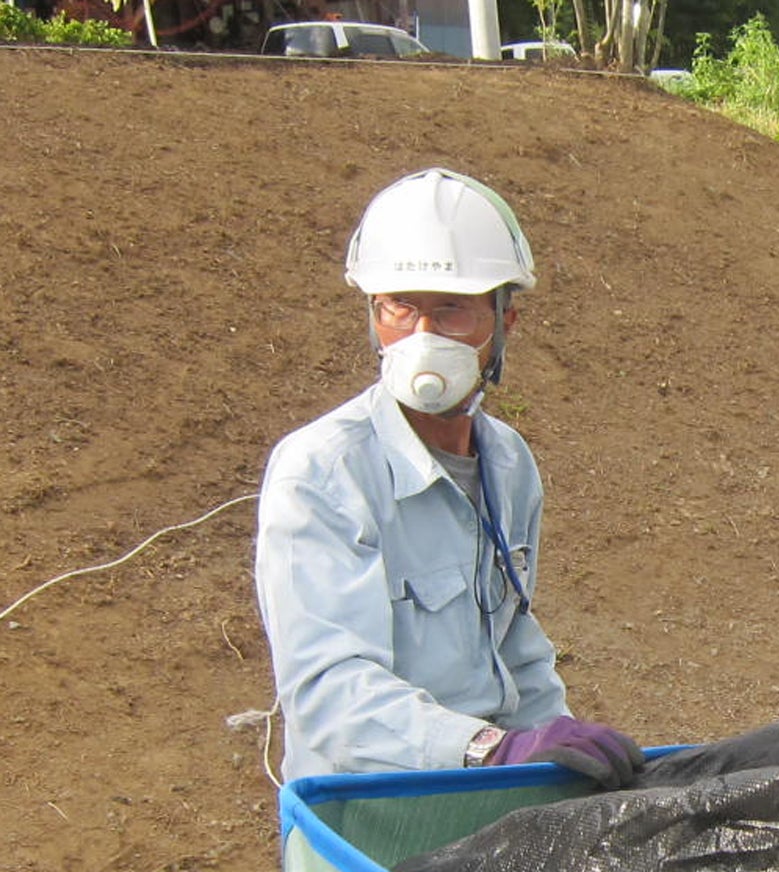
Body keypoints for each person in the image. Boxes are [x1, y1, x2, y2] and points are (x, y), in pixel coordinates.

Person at [255, 167, 642, 788]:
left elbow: (512, 638)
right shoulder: (324, 472)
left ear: (503, 324)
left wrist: (556, 747)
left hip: (479, 791)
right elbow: (329, 694)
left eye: (451, 311)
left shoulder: (508, 464)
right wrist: (490, 749)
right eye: (399, 309)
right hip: (367, 803)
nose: (422, 338)